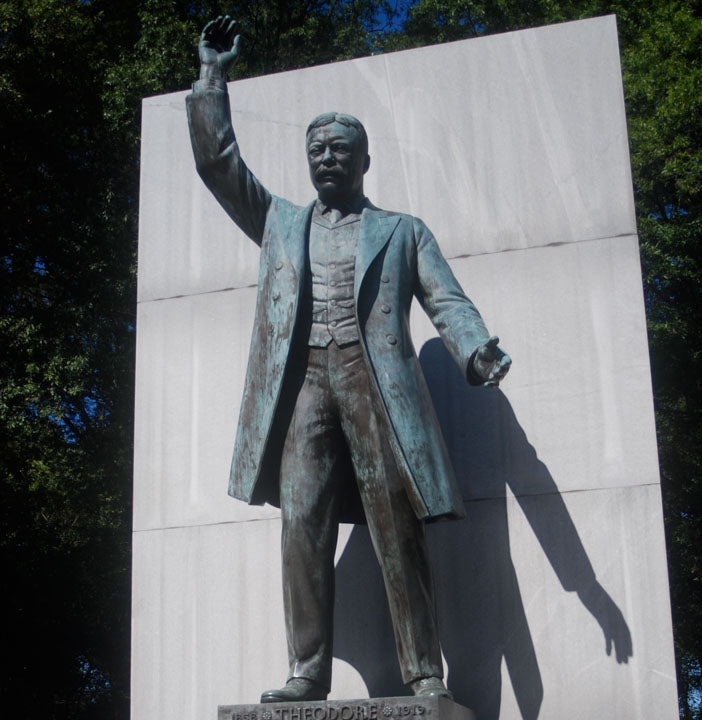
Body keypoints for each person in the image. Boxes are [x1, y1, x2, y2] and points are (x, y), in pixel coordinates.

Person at [186, 15, 511, 704]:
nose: (327, 157)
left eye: (340, 148)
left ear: (364, 161)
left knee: (397, 525)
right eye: (317, 150)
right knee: (299, 521)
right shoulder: (278, 222)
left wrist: (475, 349)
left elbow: (446, 300)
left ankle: (424, 670)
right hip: (303, 384)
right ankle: (307, 670)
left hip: (376, 389)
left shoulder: (401, 231)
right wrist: (213, 78)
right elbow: (219, 166)